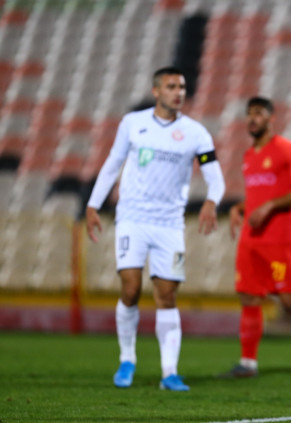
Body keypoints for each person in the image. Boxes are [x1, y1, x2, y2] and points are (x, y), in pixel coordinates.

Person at [85, 67, 226, 391]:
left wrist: (211, 201)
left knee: (167, 295)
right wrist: (93, 204)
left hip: (170, 224)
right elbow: (112, 164)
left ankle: (169, 372)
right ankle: (127, 358)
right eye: (171, 86)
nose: (179, 92)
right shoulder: (132, 123)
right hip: (132, 219)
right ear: (156, 91)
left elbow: (215, 177)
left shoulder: (196, 133)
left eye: (182, 87)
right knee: (131, 289)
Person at [220, 96, 291, 378]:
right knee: (248, 297)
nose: (253, 118)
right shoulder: (249, 156)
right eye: (249, 114)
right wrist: (239, 208)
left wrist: (269, 207)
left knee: (290, 301)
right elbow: (257, 196)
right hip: (250, 240)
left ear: (271, 118)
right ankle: (248, 363)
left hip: (278, 240)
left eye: (259, 113)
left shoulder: (288, 149)